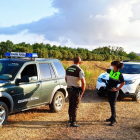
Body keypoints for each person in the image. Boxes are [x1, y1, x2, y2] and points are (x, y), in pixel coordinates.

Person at [95, 61, 125, 126]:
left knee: (113, 105)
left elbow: (123, 83)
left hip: (114, 91)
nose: (110, 66)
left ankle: (113, 120)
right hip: (109, 90)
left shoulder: (119, 74)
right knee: (111, 104)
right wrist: (98, 66)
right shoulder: (111, 71)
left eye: (112, 65)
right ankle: (112, 117)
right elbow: (105, 69)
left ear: (115, 66)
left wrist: (117, 89)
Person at [65, 57, 86, 127]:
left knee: (70, 104)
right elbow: (83, 83)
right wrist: (82, 91)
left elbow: (66, 79)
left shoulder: (68, 69)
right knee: (75, 106)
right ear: (80, 62)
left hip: (69, 89)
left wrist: (70, 84)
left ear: (73, 61)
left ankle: (70, 119)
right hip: (76, 90)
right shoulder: (79, 70)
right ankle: (73, 122)